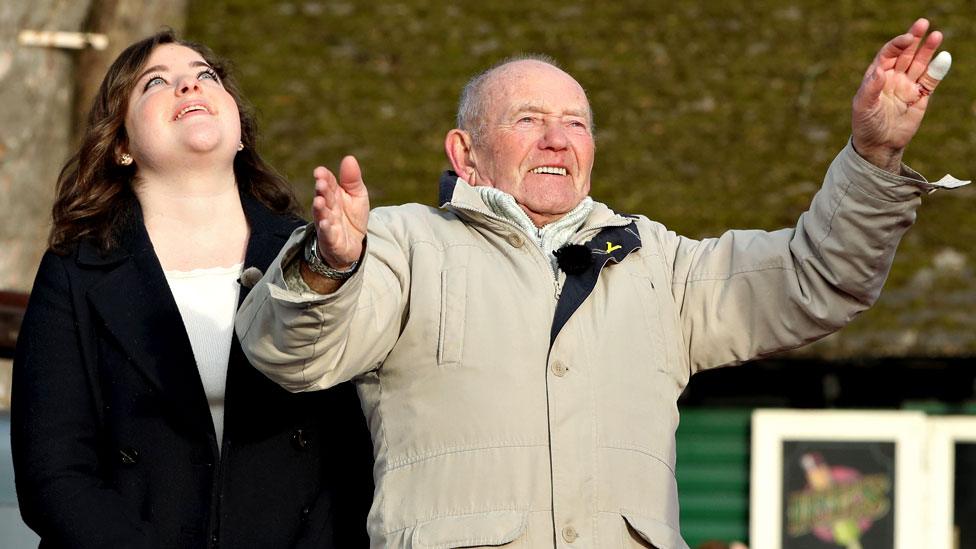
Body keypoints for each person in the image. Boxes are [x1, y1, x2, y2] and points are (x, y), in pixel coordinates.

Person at [236, 19, 964, 549]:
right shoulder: (402, 245)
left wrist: (873, 156)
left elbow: (818, 277)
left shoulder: (660, 264)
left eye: (575, 124)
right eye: (528, 120)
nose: (558, 139)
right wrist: (328, 265)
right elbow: (292, 352)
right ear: (466, 152)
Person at [11, 30, 373, 548]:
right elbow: (54, 475)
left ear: (240, 130)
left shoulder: (313, 253)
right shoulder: (76, 270)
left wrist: (340, 268)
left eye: (206, 76)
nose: (189, 86)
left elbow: (353, 454)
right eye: (156, 82)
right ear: (120, 145)